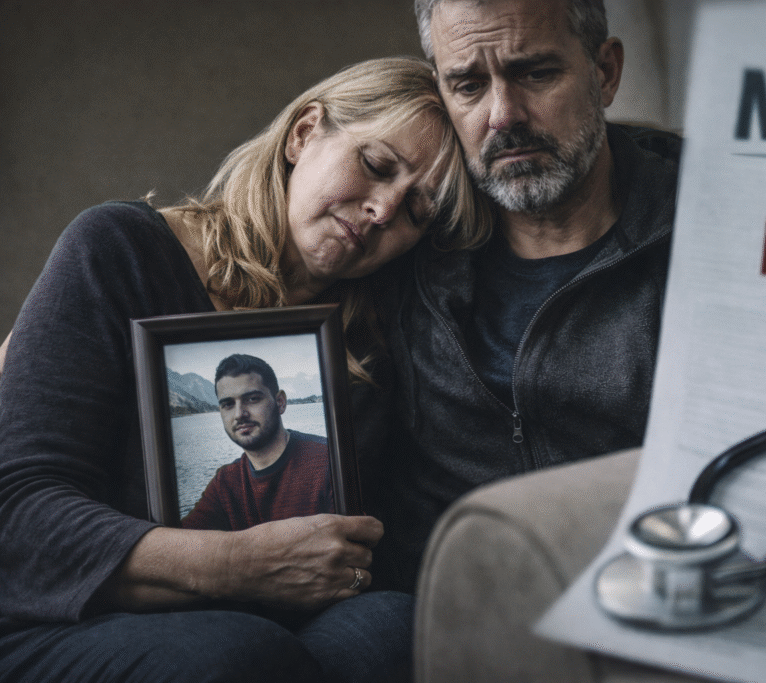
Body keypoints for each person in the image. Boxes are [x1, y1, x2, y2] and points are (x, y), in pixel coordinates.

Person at [0, 57, 486, 683]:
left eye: (417, 210)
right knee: (236, 652)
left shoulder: (377, 338)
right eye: (375, 165)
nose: (384, 211)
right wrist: (237, 564)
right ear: (304, 132)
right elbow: (18, 514)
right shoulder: (118, 249)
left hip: (273, 622)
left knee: (394, 630)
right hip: (63, 618)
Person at [368, 0, 682, 592]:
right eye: (468, 85)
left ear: (605, 72)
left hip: (646, 598)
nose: (502, 116)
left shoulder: (712, 234)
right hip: (438, 619)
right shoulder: (403, 238)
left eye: (536, 73)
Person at [181, 354, 334, 532]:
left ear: (280, 402)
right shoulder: (226, 482)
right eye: (228, 404)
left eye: (252, 399)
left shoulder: (329, 461)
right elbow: (179, 543)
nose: (239, 414)